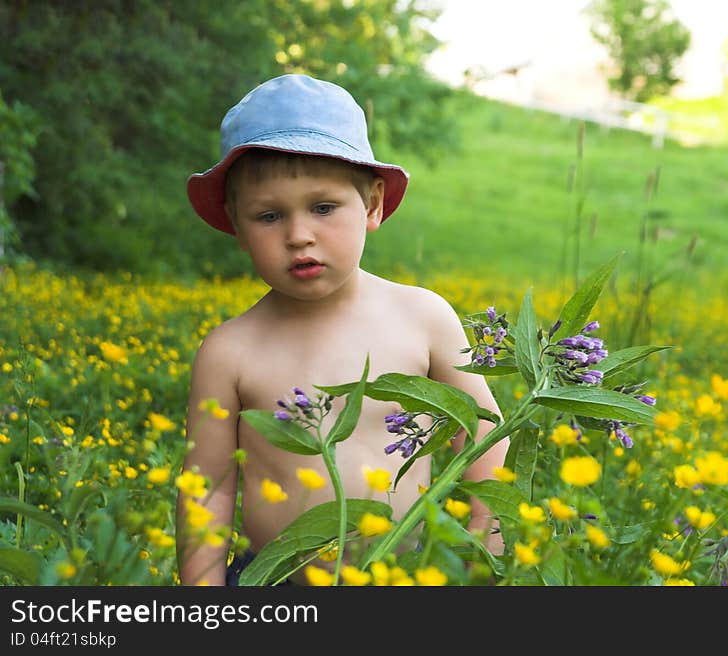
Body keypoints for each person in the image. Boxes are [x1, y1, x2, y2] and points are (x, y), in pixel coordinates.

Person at [175, 73, 506, 586]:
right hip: (275, 585)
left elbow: (486, 437)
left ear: (372, 205)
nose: (298, 235)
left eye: (324, 207)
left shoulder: (423, 318)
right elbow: (207, 488)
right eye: (268, 216)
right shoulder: (230, 351)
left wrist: (480, 563)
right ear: (237, 227)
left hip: (405, 574)